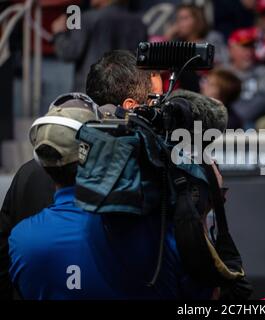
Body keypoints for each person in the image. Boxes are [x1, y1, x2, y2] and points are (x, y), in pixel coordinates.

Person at [7, 97, 214, 299]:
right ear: (98, 149)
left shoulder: (23, 240)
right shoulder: (155, 231)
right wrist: (200, 215)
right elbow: (206, 292)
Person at [0, 50, 162, 300]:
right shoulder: (144, 180)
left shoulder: (28, 173)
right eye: (155, 102)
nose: (160, 112)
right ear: (131, 107)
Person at [51, 0, 147, 91]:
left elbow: (69, 53)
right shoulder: (138, 22)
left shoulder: (87, 18)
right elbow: (141, 58)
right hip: (125, 89)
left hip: (91, 89)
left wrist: (59, 33)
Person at [226, 27, 265, 128]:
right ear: (231, 50)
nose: (249, 52)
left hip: (252, 123)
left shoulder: (264, 71)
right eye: (244, 47)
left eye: (252, 47)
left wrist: (237, 118)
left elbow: (263, 101)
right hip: (226, 121)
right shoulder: (223, 73)